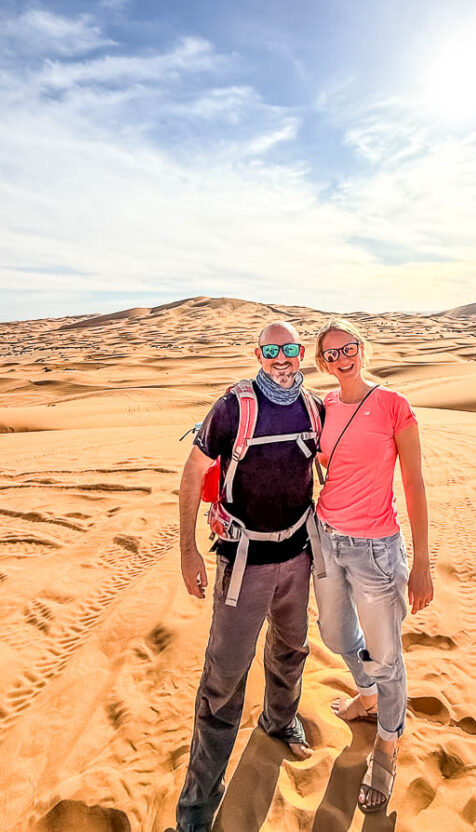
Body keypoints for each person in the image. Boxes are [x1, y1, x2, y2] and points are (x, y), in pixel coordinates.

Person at [170, 321, 325, 832]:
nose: (282, 358)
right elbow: (192, 474)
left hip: (298, 556)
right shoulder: (233, 407)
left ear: (300, 353)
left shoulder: (313, 408)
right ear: (258, 355)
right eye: (272, 350)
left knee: (291, 649)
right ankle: (196, 811)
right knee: (224, 679)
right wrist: (188, 551)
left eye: (290, 349)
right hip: (243, 564)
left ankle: (280, 721)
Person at [312, 318, 434, 815]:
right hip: (326, 538)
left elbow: (414, 483)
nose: (342, 359)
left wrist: (422, 563)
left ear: (362, 350)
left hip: (376, 550)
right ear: (322, 363)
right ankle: (366, 696)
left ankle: (387, 741)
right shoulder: (324, 406)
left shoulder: (392, 405)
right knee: (336, 634)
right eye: (332, 354)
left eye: (349, 349)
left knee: (386, 655)